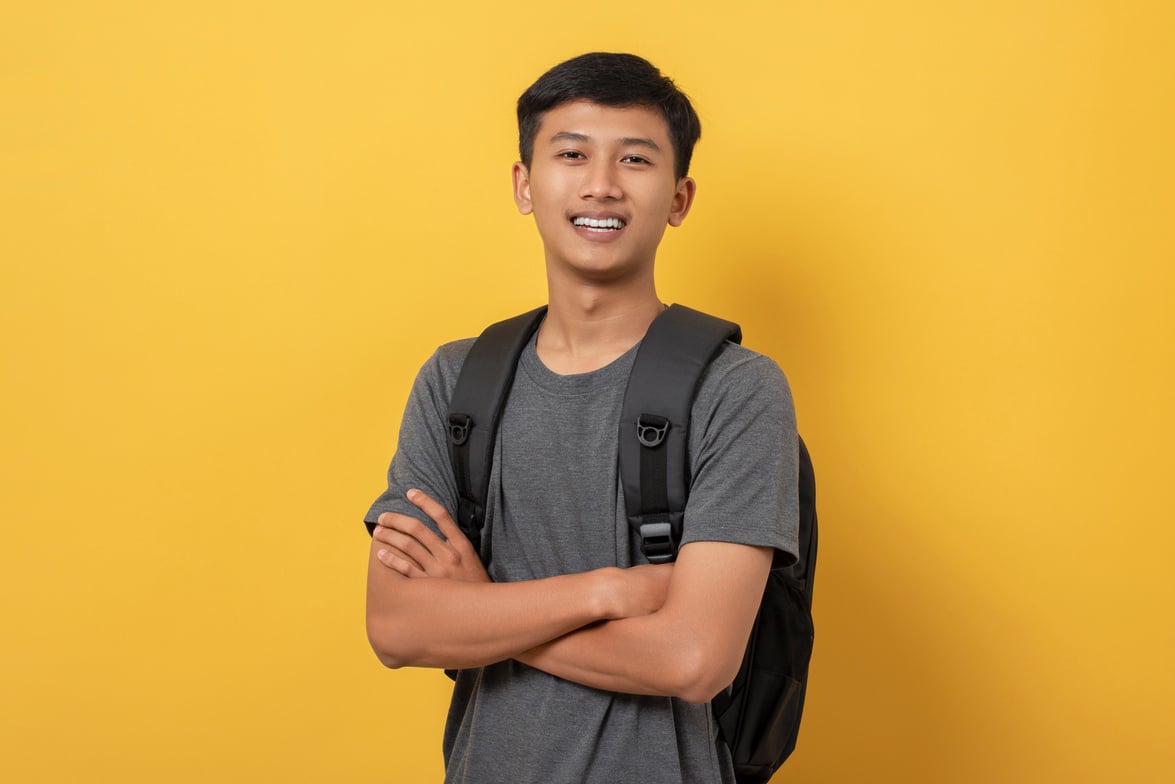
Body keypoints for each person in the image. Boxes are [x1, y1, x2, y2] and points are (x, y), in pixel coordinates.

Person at [364, 52, 800, 784]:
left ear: (679, 197)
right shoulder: (456, 382)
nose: (601, 184)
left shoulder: (736, 390)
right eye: (571, 154)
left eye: (634, 159)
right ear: (524, 184)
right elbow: (395, 627)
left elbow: (692, 660)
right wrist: (608, 591)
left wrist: (478, 610)